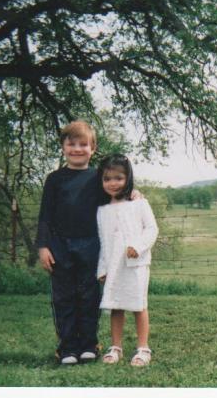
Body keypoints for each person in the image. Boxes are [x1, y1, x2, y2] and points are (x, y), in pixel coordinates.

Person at [37, 120, 102, 365]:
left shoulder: (98, 177)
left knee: (89, 296)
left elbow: (118, 194)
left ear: (92, 148)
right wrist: (43, 247)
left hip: (91, 245)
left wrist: (134, 194)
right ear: (63, 147)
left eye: (83, 144)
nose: (77, 148)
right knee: (64, 298)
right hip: (59, 246)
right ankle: (67, 348)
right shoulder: (54, 179)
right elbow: (45, 215)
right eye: (71, 143)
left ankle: (88, 345)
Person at [96, 154, 158, 367]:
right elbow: (103, 242)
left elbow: (151, 229)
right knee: (116, 305)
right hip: (113, 265)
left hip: (135, 265)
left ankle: (143, 348)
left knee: (139, 305)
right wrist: (102, 269)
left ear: (128, 178)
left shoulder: (139, 203)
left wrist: (138, 247)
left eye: (118, 178)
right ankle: (116, 347)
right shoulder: (102, 210)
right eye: (107, 178)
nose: (113, 183)